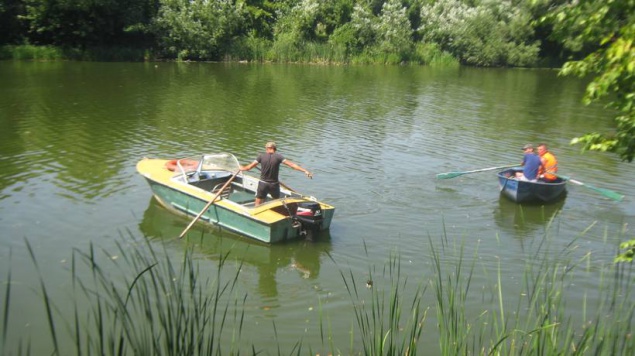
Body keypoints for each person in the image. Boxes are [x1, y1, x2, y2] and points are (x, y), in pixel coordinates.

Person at [240, 141, 313, 206]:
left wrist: (241, 168)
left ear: (270, 147)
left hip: (263, 184)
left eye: (266, 148)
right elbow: (292, 165)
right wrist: (304, 171)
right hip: (274, 185)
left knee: (258, 204)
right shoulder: (279, 157)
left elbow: (248, 168)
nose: (265, 149)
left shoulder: (261, 156)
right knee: (276, 203)